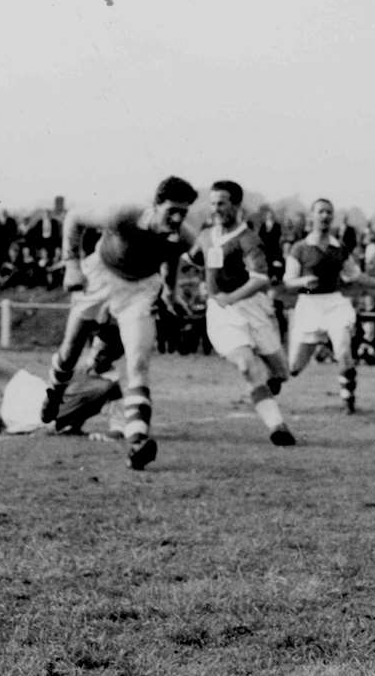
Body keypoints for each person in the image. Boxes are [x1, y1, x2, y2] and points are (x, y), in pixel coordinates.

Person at [40, 176, 200, 470]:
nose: (177, 218)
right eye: (171, 210)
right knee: (71, 350)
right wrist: (71, 266)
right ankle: (54, 393)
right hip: (100, 273)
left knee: (138, 361)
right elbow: (75, 218)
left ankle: (138, 441)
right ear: (156, 204)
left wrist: (172, 291)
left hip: (139, 290)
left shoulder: (184, 235)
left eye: (183, 212)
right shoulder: (124, 215)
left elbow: (174, 254)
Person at [188, 181, 297, 439]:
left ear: (236, 206)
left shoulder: (248, 240)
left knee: (281, 371)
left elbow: (260, 278)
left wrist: (232, 296)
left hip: (253, 308)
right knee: (246, 366)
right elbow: (190, 258)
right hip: (222, 312)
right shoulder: (205, 236)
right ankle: (277, 427)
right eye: (213, 203)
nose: (216, 209)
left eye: (221, 203)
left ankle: (269, 384)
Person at [284, 197, 375, 413]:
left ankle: (348, 400)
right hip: (309, 305)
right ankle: (273, 379)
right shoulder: (300, 248)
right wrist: (303, 281)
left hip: (335, 303)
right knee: (295, 367)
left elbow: (355, 276)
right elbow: (288, 282)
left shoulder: (339, 247)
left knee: (344, 350)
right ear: (312, 216)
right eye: (321, 212)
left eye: (329, 212)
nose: (325, 216)